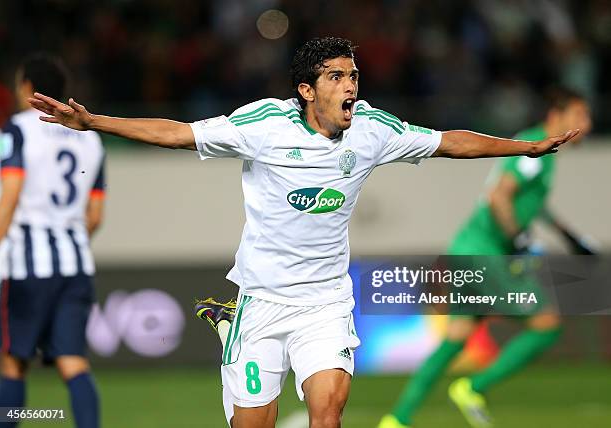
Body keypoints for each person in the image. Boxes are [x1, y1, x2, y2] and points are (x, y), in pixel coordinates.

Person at [29, 37, 579, 428]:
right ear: (306, 90)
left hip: (325, 301)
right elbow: (177, 133)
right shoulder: (263, 125)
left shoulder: (373, 131)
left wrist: (522, 146)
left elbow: (449, 141)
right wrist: (95, 121)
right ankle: (230, 329)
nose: (350, 87)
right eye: (336, 77)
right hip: (263, 299)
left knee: (328, 411)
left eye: (354, 76)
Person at [378, 87, 592, 428]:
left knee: (458, 334)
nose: (587, 123)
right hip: (485, 252)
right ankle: (473, 387)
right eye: (580, 115)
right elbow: (499, 196)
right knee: (546, 325)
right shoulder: (534, 147)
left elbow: (534, 204)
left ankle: (396, 419)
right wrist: (519, 240)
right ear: (557, 115)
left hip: (467, 250)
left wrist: (571, 238)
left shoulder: (538, 151)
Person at [0, 54, 105, 428]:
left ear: (28, 89)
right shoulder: (89, 138)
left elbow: (10, 193)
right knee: (73, 361)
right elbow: (95, 216)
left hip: (26, 266)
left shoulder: (17, 129)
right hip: (75, 265)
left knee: (12, 361)